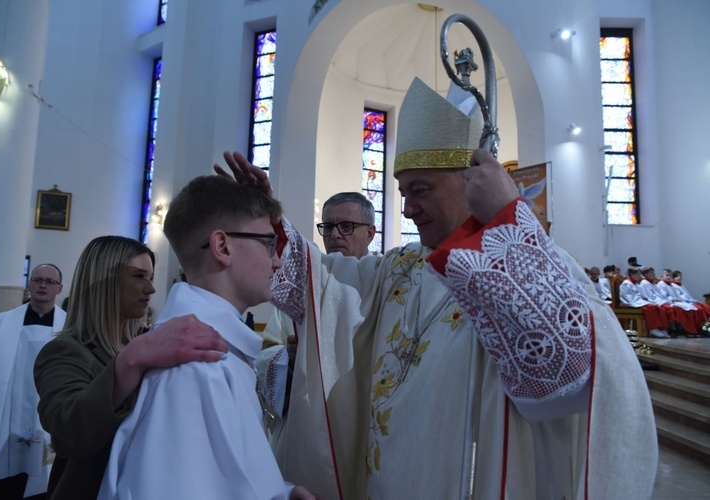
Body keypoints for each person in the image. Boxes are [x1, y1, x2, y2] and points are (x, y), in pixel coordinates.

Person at [216, 77, 658, 499]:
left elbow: (562, 378)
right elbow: (323, 286)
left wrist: (508, 215)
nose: (407, 209)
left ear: (470, 179)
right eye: (402, 193)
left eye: (419, 190)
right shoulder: (400, 269)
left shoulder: (525, 264)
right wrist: (264, 227)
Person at [98, 177, 315, 499]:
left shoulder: (209, 348)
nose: (277, 261)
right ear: (222, 246)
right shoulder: (196, 365)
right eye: (269, 244)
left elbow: (218, 474)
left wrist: (279, 492)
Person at [34, 236, 229, 499]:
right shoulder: (64, 351)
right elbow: (69, 430)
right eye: (139, 276)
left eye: (149, 277)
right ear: (104, 282)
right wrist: (132, 358)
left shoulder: (134, 344)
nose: (151, 289)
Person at [258, 192, 378, 463]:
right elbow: (266, 353)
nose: (335, 235)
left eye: (346, 226)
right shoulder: (302, 286)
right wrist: (288, 360)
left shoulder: (384, 285)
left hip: (362, 426)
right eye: (328, 226)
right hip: (306, 426)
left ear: (370, 233)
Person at [0, 264, 65, 500]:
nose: (42, 285)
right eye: (37, 279)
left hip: (47, 423)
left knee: (42, 486)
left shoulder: (70, 328)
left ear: (59, 288)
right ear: (29, 284)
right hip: (2, 428)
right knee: (1, 488)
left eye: (49, 281)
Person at [619, 266, 671, 338]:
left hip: (639, 301)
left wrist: (644, 299)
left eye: (640, 274)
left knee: (656, 307)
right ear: (631, 274)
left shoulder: (636, 283)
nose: (639, 276)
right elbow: (628, 297)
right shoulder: (626, 283)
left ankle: (660, 328)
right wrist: (640, 300)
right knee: (650, 307)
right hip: (631, 302)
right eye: (637, 274)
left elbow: (642, 294)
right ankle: (653, 328)